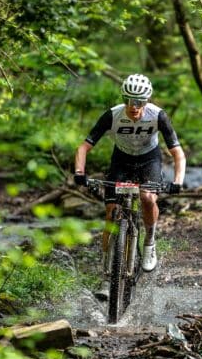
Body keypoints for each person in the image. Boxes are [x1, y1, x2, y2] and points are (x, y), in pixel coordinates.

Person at [73, 74, 185, 272]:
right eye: (128, 100)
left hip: (149, 158)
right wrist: (79, 172)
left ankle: (149, 242)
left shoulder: (158, 115)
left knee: (148, 198)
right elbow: (83, 148)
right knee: (111, 213)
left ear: (146, 101)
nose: (133, 106)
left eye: (139, 101)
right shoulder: (113, 115)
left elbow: (178, 154)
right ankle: (107, 267)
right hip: (121, 160)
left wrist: (177, 181)